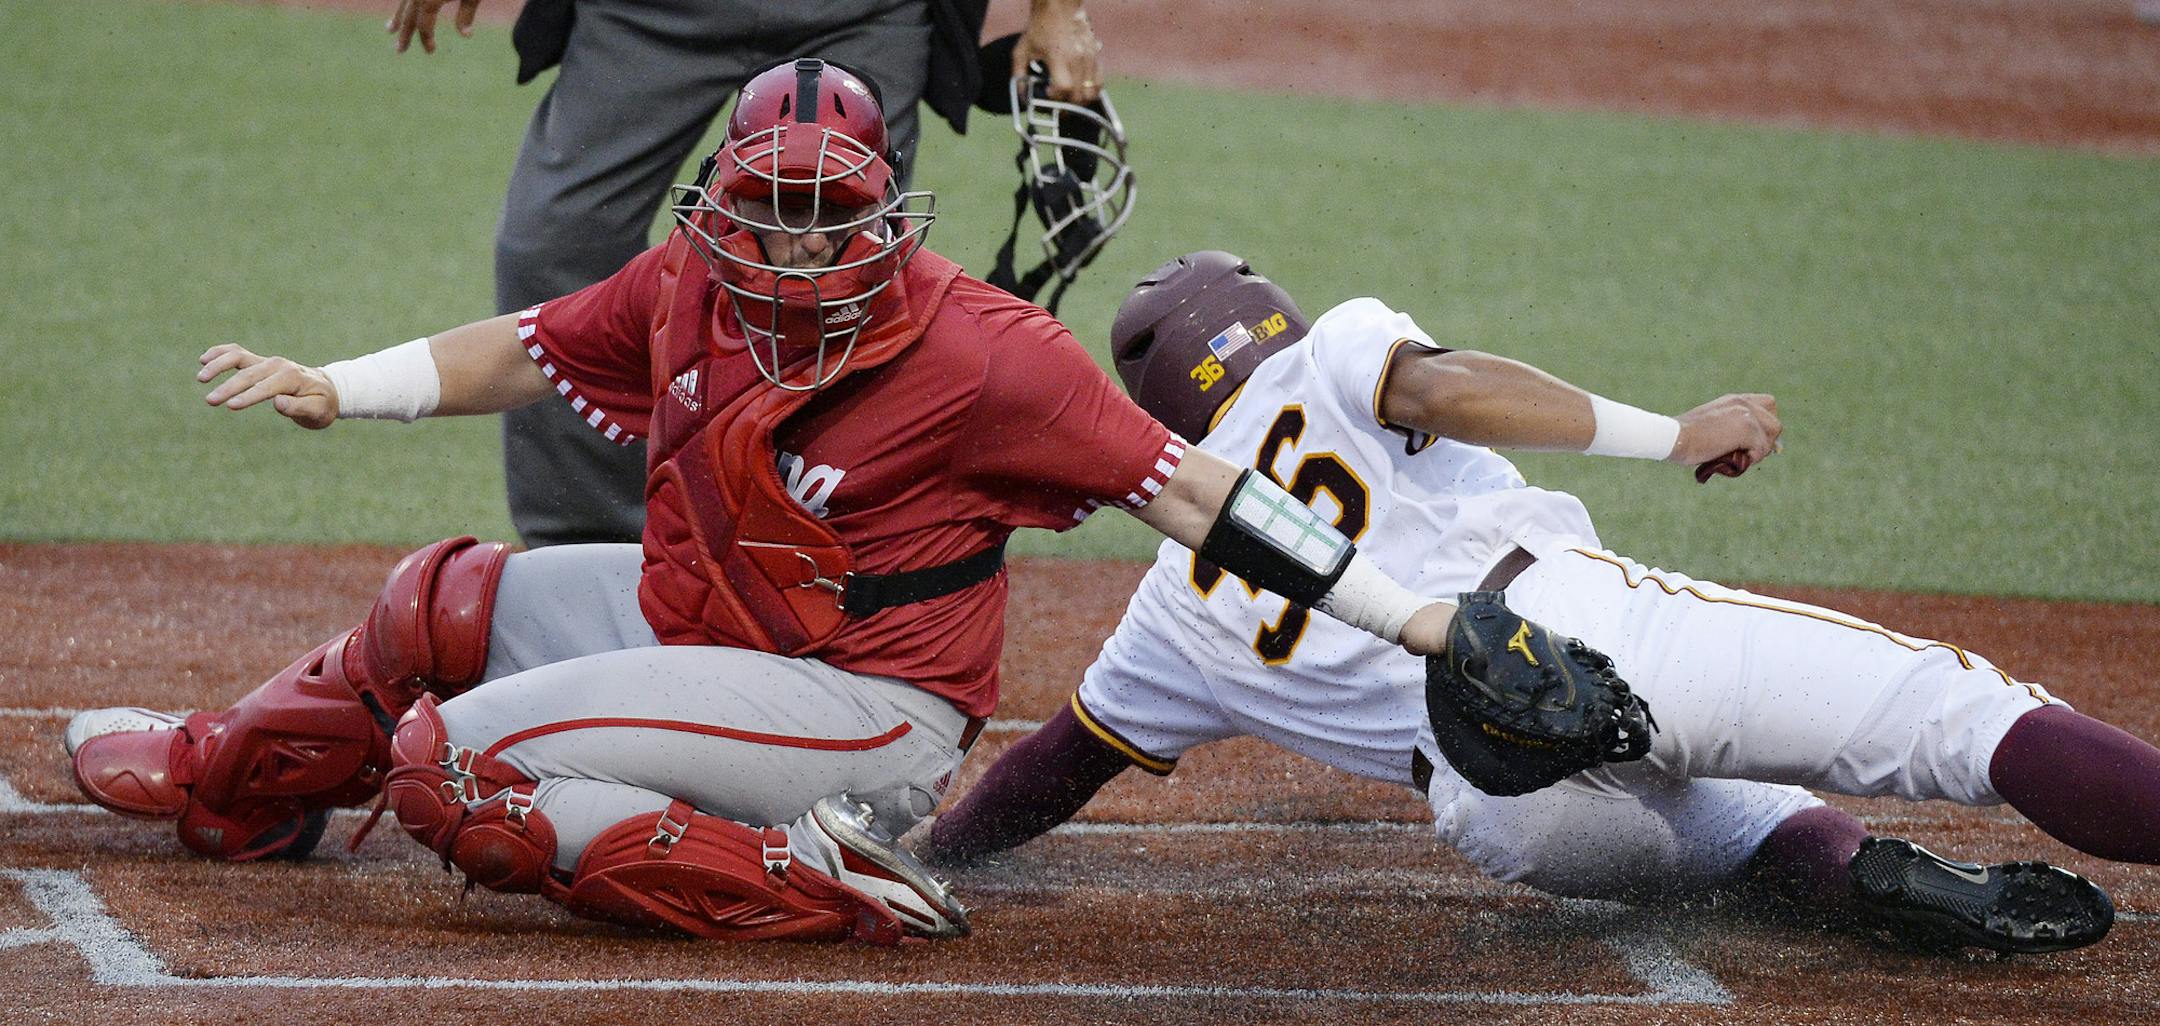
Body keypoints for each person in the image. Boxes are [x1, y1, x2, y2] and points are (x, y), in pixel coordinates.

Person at [60, 66, 1557, 945]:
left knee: (454, 773)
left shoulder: (987, 352)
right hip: (709, 624)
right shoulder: (686, 276)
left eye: (818, 212)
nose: (783, 243)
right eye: (763, 206)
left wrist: (1412, 612)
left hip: (864, 705)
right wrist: (340, 377)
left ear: (878, 213)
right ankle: (229, 781)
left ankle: (823, 876)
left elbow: (1202, 492)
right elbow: (525, 348)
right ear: (722, 201)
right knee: (435, 602)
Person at [922, 250, 2158, 954]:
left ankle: (1859, 878)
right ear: (1265, 317)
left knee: (1729, 834)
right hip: (1570, 621)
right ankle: (1873, 848)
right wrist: (1674, 431)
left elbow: (1057, 763)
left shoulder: (1168, 610)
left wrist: (937, 854)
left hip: (1498, 810)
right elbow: (1449, 392)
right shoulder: (1332, 350)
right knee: (1957, 717)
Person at [384, 0, 1109, 548]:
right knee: (552, 241)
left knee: (838, 279)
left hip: (860, 13)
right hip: (651, 15)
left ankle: (819, 549)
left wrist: (1058, 9)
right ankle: (589, 552)